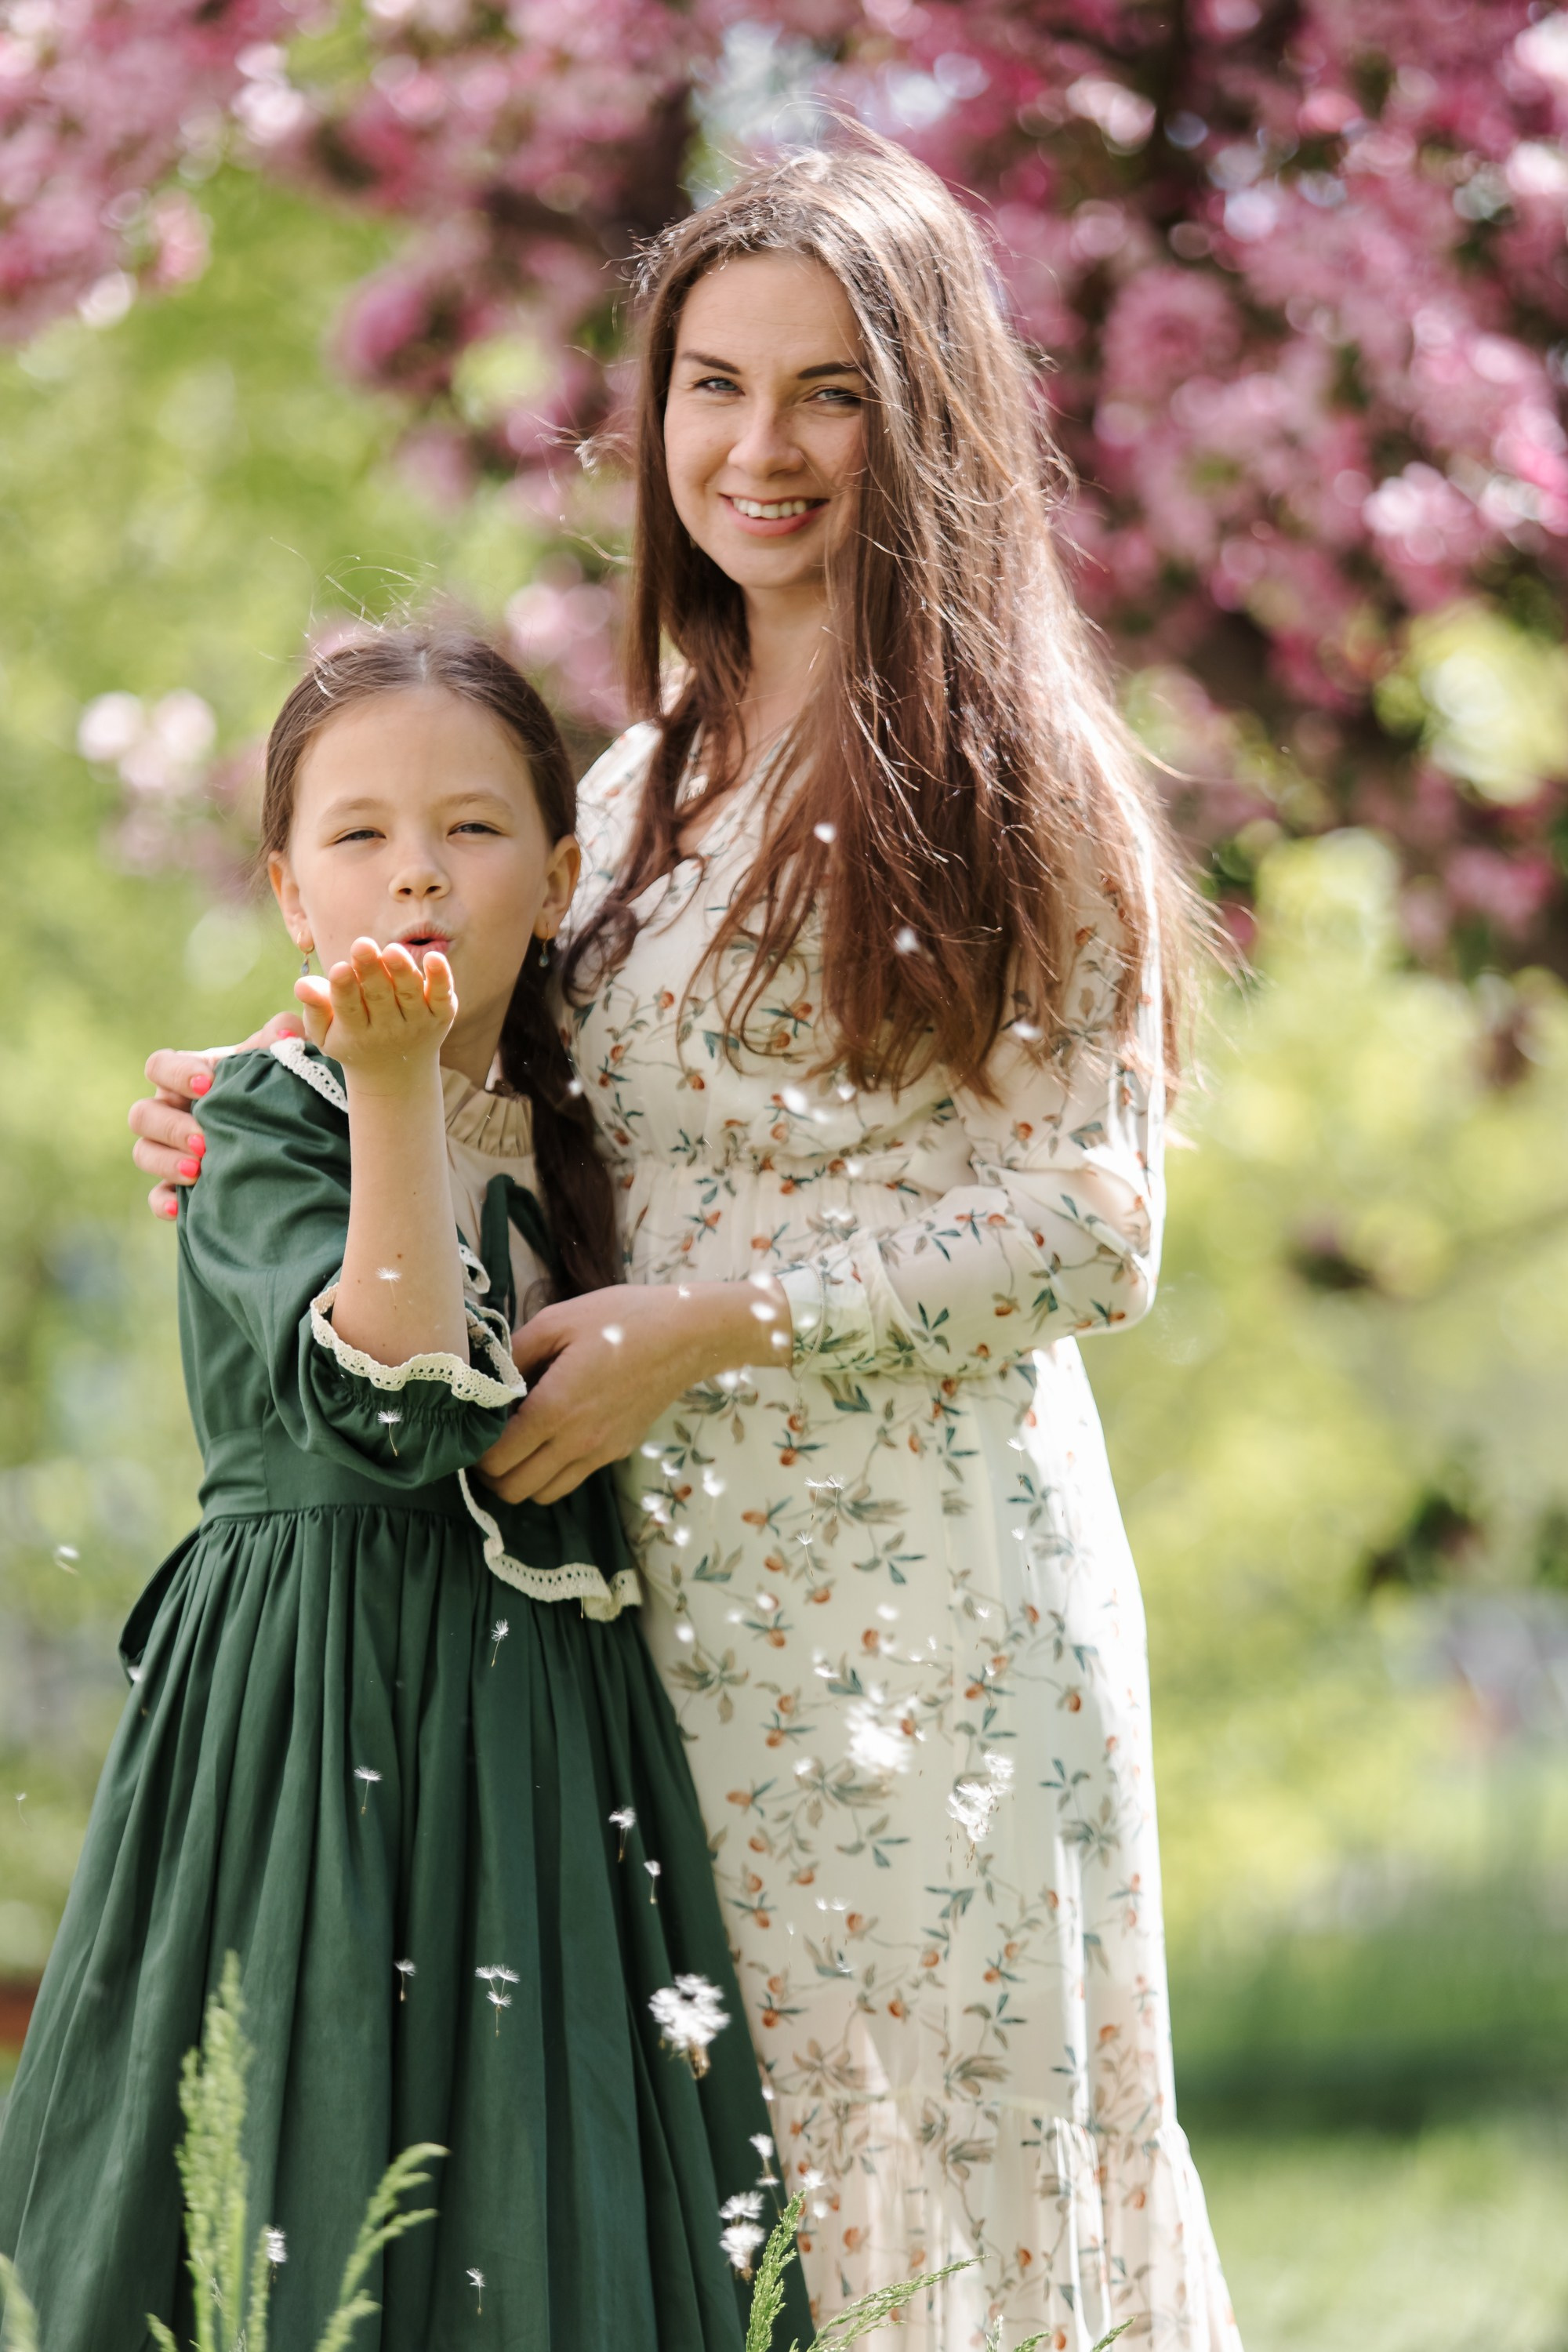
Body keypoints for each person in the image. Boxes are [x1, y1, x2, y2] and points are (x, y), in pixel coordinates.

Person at [130, 135, 1241, 2350]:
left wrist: (709, 1332)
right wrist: (274, 1089)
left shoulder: (1028, 778)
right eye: (712, 387)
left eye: (829, 391)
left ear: (924, 418)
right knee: (719, 2214)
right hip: (644, 1616)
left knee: (944, 2178)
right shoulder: (633, 792)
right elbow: (502, 1086)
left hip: (925, 1610)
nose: (760, 447)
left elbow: (1093, 1227)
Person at [3, 630, 811, 2352]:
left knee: (533, 2125)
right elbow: (396, 1403)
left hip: (538, 1707)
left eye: (470, 828)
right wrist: (383, 1086)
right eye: (358, 836)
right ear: (291, 891)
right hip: (317, 1693)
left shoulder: (576, 1125)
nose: (417, 872)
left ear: (563, 868)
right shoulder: (268, 1116)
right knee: (319, 2122)